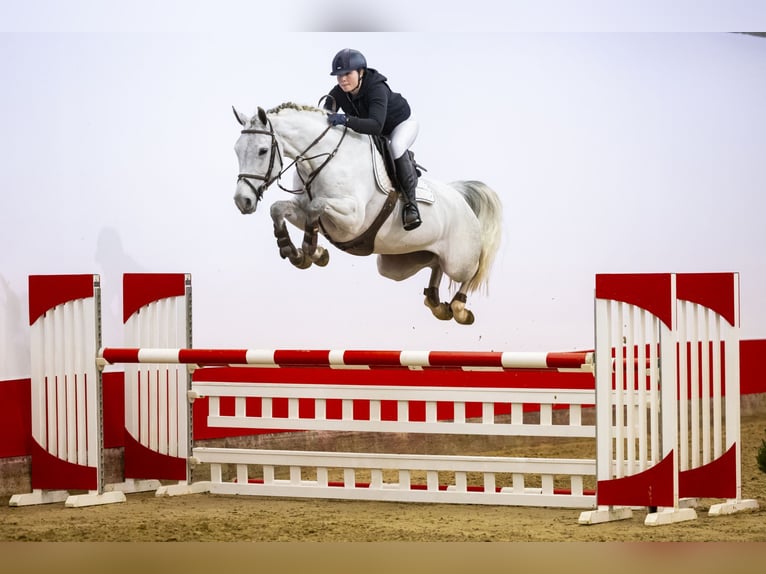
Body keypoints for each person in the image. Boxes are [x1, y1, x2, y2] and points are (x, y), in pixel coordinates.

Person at [324, 48, 422, 231]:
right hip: (374, 131)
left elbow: (376, 126)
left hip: (399, 125)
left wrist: (345, 120)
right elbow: (325, 115)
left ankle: (411, 204)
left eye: (347, 73)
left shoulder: (376, 88)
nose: (342, 79)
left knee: (397, 146)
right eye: (338, 75)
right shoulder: (338, 93)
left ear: (361, 72)